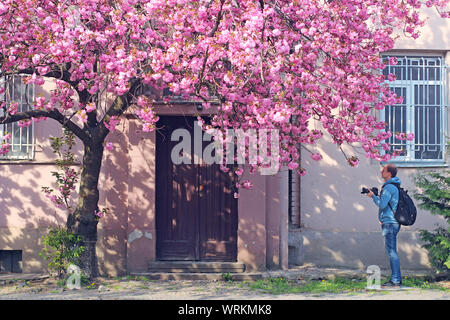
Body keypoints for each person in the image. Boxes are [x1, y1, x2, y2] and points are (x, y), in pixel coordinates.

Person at [366, 164, 402, 288]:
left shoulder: (389, 187)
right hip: (391, 222)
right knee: (392, 251)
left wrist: (373, 197)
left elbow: (382, 205)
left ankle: (396, 280)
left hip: (390, 223)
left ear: (389, 174)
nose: (381, 171)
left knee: (392, 252)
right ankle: (396, 278)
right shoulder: (393, 186)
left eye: (384, 170)